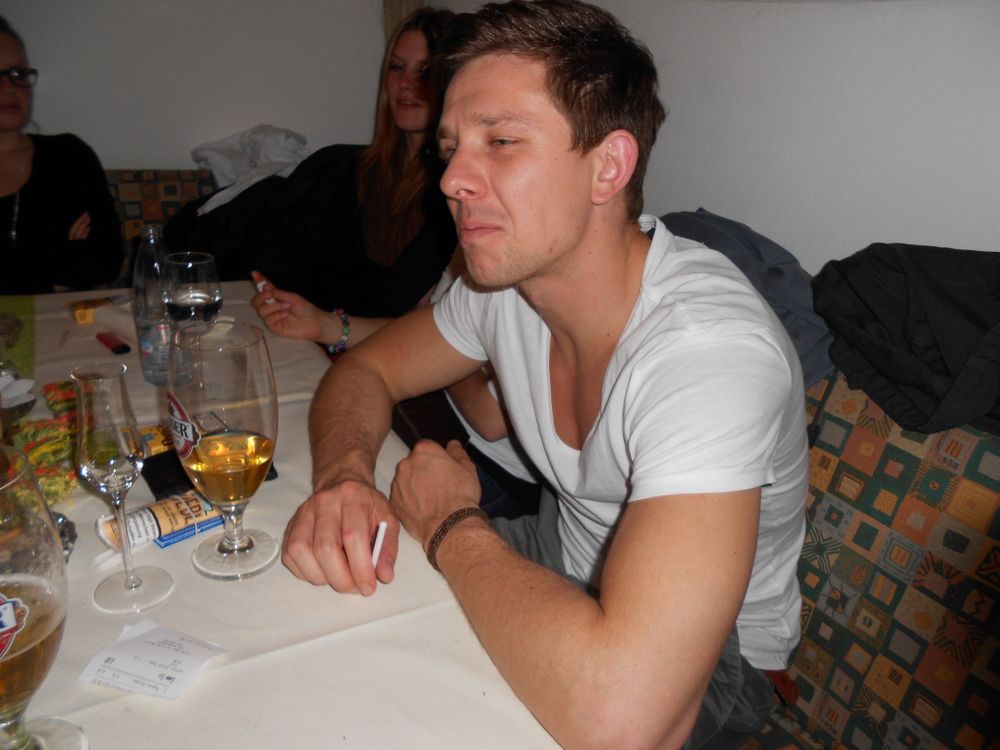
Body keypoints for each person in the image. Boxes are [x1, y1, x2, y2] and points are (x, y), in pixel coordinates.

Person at [283, 1, 808, 748]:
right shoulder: (503, 284)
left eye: (500, 141)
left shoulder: (707, 351)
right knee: (325, 635)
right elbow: (365, 369)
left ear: (609, 167)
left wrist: (451, 524)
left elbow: (627, 722)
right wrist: (344, 478)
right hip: (561, 553)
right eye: (451, 148)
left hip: (714, 661)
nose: (452, 180)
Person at [169, 8, 457, 321]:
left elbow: (403, 305)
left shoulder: (453, 189)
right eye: (397, 67)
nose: (406, 84)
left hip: (378, 343)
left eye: (425, 71)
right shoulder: (341, 168)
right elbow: (270, 252)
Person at [0, 16, 122, 294]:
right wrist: (54, 264)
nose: (9, 88)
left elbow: (104, 262)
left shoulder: (68, 156)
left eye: (18, 74)